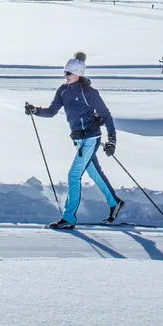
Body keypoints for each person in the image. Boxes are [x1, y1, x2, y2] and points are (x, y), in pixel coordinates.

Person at [25, 52, 123, 230]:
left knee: (73, 175)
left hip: (91, 138)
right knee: (93, 173)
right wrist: (35, 110)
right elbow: (52, 111)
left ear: (78, 73)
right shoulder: (63, 90)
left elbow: (106, 116)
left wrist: (112, 141)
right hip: (78, 139)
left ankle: (68, 218)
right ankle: (114, 202)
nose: (66, 76)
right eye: (65, 73)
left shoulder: (89, 93)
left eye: (69, 73)